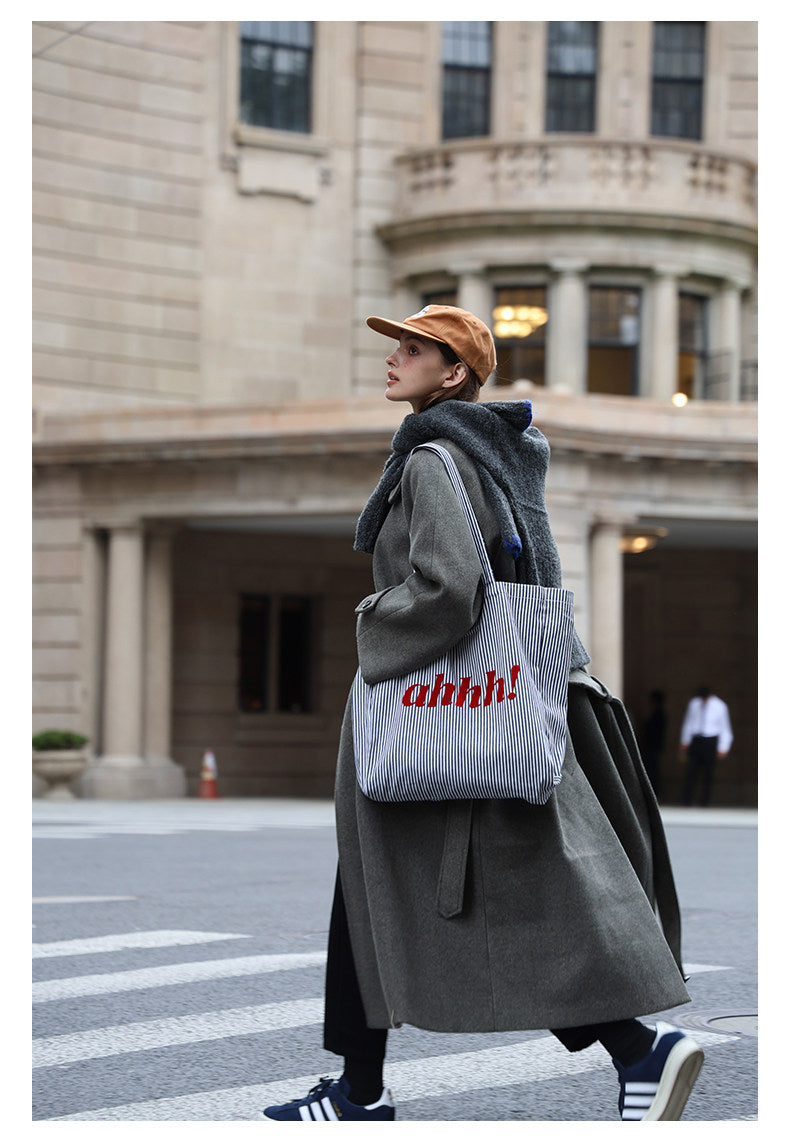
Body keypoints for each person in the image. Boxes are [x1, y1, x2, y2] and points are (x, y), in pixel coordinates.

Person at [262, 305, 703, 1123]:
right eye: (395, 346)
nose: (393, 359)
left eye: (414, 349)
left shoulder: (433, 457)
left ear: (455, 373)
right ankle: (361, 1088)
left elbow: (450, 588)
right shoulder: (496, 454)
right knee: (379, 890)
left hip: (441, 710)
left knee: (436, 893)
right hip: (493, 705)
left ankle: (636, 1046)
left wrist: (372, 626)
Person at [679, 685, 733, 807]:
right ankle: (686, 800)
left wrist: (723, 747)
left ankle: (704, 801)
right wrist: (685, 740)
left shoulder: (720, 706)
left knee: (708, 772)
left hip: (710, 740)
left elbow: (725, 728)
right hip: (696, 739)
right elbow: (688, 722)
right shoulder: (694, 704)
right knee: (691, 770)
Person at [641, 689, 667, 797]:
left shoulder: (659, 714)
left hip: (653, 745)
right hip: (652, 745)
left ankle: (653, 792)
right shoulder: (657, 713)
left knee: (652, 770)